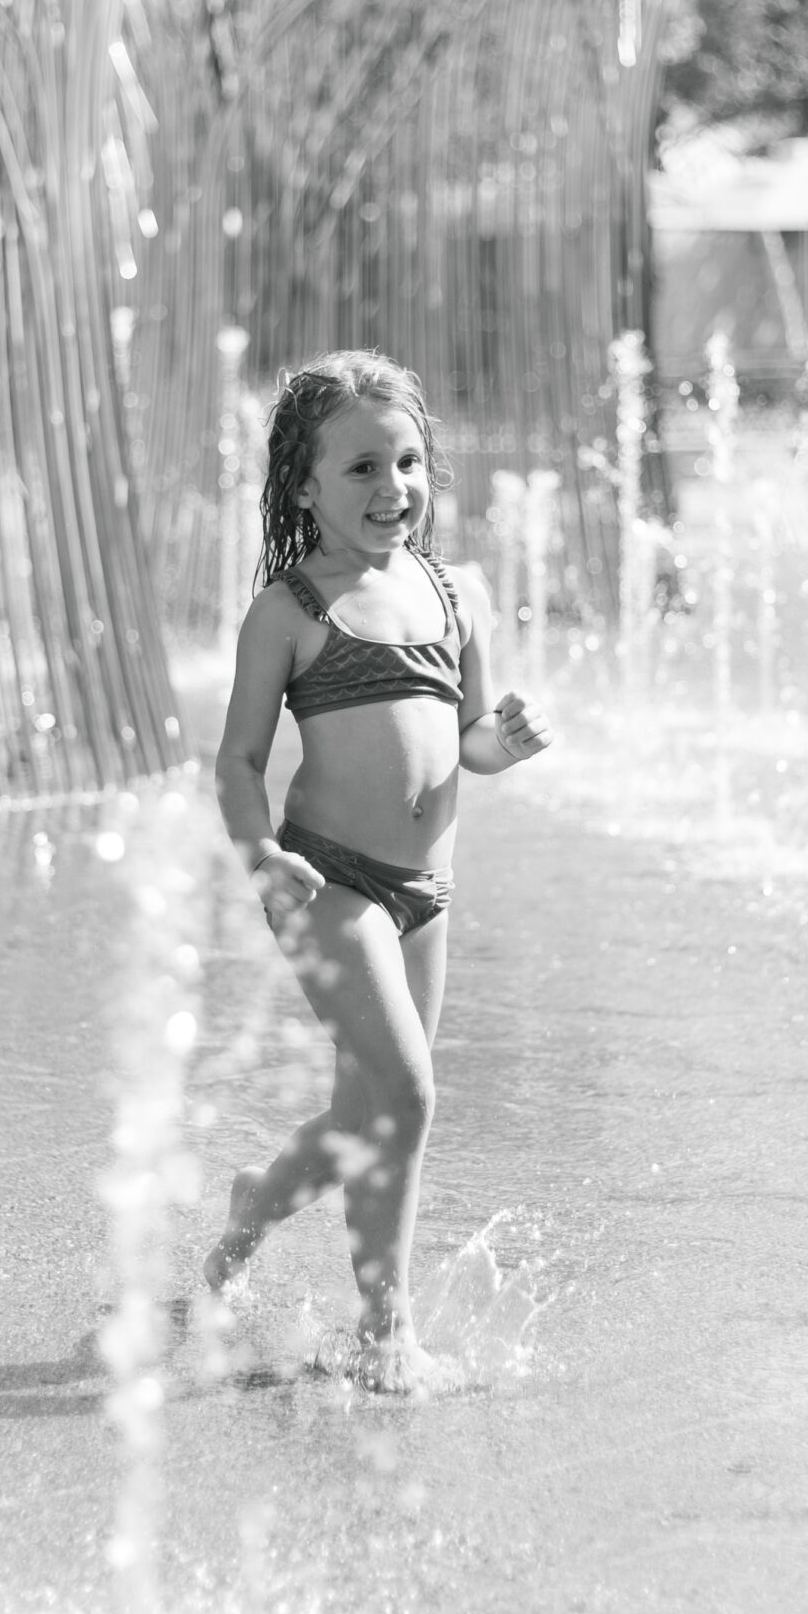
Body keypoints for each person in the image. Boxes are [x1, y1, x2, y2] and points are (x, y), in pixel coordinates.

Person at [205, 350, 552, 1392]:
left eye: (406, 462)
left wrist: (508, 737)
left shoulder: (456, 593)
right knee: (407, 1091)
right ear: (302, 484)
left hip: (425, 893)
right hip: (325, 881)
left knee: (366, 1116)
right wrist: (259, 856)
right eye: (359, 468)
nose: (390, 489)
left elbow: (472, 741)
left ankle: (251, 1210)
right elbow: (236, 759)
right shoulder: (293, 611)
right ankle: (382, 1329)